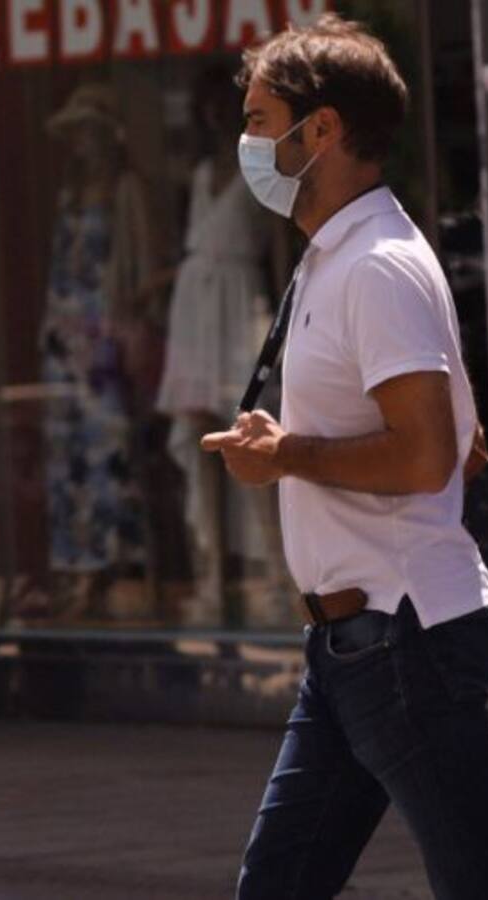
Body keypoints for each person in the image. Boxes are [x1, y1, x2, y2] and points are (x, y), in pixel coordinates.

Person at [201, 15, 488, 899]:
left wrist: (287, 455)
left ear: (324, 130)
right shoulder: (337, 258)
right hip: (353, 647)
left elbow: (426, 455)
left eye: (262, 122)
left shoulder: (375, 264)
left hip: (402, 637)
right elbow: (463, 438)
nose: (249, 144)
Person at [156, 67, 292, 626]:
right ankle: (212, 580)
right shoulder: (202, 173)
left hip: (239, 308)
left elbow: (281, 249)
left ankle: (280, 582)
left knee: (250, 437)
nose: (214, 119)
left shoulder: (259, 173)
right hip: (195, 309)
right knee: (198, 441)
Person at [37, 81, 155, 620]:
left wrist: (129, 317)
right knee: (67, 459)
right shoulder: (66, 189)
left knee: (110, 452)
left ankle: (116, 566)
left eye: (89, 131)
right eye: (77, 132)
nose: (83, 143)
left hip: (105, 336)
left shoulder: (126, 188)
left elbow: (141, 262)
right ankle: (77, 569)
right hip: (66, 336)